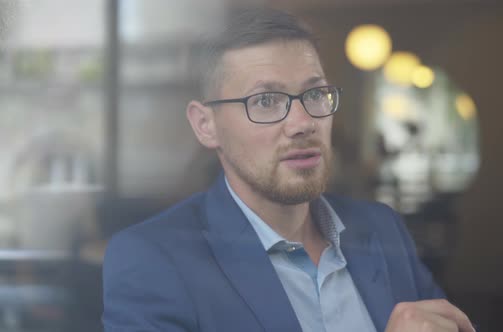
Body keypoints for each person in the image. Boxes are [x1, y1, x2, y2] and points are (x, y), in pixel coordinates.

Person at [102, 7, 475, 332]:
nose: (303, 122)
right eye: (265, 100)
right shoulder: (153, 260)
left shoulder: (382, 228)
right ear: (206, 124)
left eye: (314, 94)